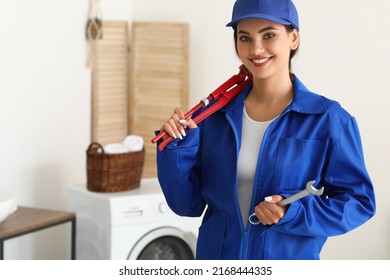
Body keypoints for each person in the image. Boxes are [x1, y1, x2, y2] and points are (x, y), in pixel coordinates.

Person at [154, 0, 376, 260]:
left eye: (269, 35)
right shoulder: (213, 118)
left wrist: (293, 213)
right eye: (244, 37)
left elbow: (359, 203)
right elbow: (187, 206)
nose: (256, 48)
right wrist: (179, 148)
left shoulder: (329, 120)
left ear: (293, 39)